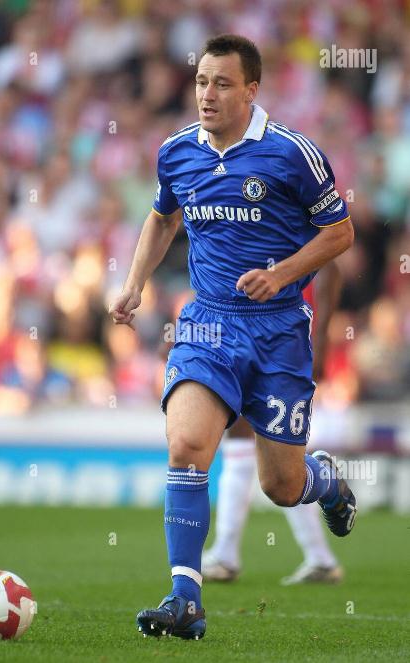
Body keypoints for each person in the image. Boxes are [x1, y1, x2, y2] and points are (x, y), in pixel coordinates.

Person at [110, 34, 356, 641]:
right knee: (187, 444)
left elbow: (340, 233)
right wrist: (135, 284)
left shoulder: (292, 153)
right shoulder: (176, 152)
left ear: (251, 90)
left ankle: (325, 482)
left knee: (282, 486)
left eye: (222, 83)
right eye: (201, 82)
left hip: (278, 331)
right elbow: (163, 216)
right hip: (208, 322)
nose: (207, 94)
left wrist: (282, 275)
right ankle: (185, 598)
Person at [202, 261, 345, 585]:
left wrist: (321, 339)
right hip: (247, 336)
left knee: (280, 459)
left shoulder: (294, 233)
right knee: (243, 439)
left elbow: (330, 267)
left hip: (283, 342)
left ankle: (228, 554)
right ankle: (316, 557)